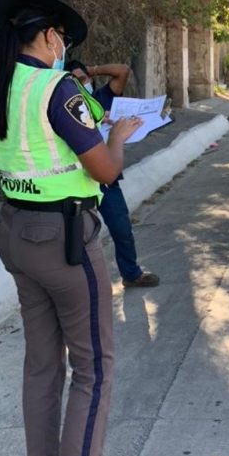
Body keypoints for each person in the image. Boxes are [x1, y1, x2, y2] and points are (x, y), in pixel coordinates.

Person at [0, 0, 142, 456]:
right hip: (63, 241)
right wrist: (118, 138)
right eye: (63, 38)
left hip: (14, 234)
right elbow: (104, 171)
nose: (64, 47)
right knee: (93, 370)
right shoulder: (57, 89)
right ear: (49, 36)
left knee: (42, 366)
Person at [66, 60, 160, 288]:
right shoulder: (65, 108)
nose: (80, 85)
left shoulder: (103, 98)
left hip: (106, 179)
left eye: (83, 79)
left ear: (90, 79)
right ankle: (79, 285)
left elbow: (123, 71)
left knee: (122, 228)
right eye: (73, 82)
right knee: (78, 236)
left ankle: (131, 274)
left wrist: (92, 69)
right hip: (77, 181)